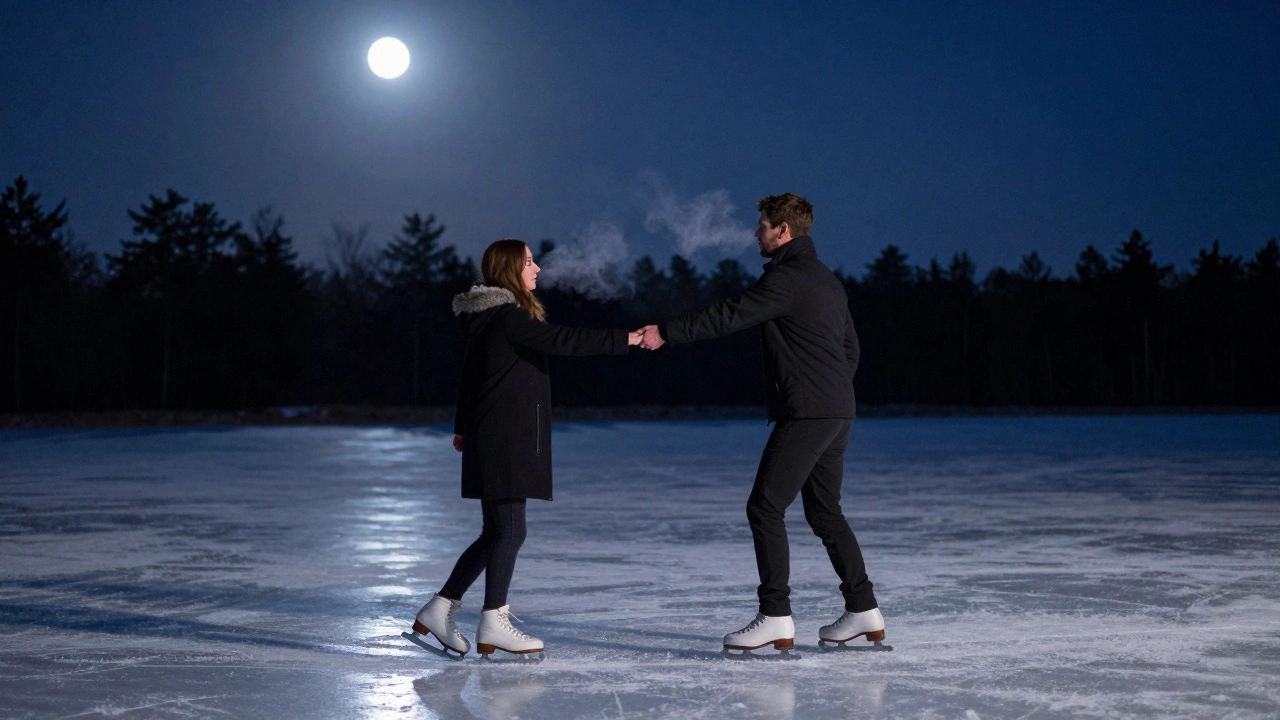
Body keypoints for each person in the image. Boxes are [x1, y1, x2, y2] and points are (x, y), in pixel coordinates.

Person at [636, 193, 885, 654]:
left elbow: (728, 315)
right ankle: (864, 609)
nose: (756, 233)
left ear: (783, 231)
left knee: (765, 507)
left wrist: (665, 332)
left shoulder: (788, 279)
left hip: (810, 412)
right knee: (825, 511)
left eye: (763, 226)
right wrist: (830, 390)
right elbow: (851, 349)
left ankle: (775, 616)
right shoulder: (827, 280)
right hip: (837, 410)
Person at [410, 239, 641, 658]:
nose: (537, 270)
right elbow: (565, 340)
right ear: (510, 270)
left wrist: (463, 427)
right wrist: (626, 339)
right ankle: (493, 620)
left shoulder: (489, 319)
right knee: (511, 530)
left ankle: (439, 608)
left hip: (493, 434)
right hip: (505, 436)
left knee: (497, 531)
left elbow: (471, 374)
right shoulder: (508, 318)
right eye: (530, 262)